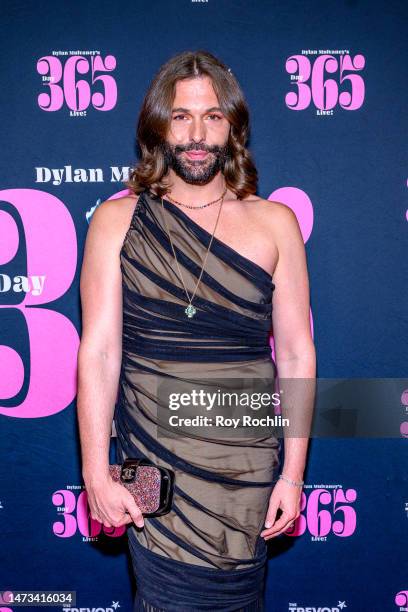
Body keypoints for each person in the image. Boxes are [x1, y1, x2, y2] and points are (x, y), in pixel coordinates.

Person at [77, 50, 316, 611]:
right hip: (157, 466)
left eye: (212, 116)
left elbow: (298, 357)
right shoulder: (116, 222)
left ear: (232, 126)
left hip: (247, 469)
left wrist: (294, 476)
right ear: (159, 126)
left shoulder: (274, 223)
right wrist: (94, 473)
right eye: (181, 117)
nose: (197, 134)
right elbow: (100, 353)